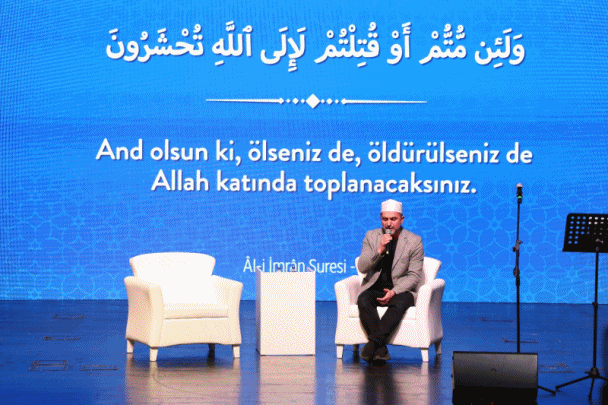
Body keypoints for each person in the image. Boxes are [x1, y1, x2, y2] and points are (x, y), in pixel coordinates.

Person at [357, 199, 424, 362]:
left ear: (401, 219)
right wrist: (379, 249)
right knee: (363, 299)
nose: (389, 223)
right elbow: (362, 267)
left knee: (400, 302)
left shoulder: (414, 241)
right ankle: (381, 350)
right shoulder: (371, 236)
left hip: (400, 290)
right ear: (380, 218)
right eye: (385, 219)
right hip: (375, 287)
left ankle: (372, 345)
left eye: (393, 219)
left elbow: (414, 276)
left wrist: (394, 291)